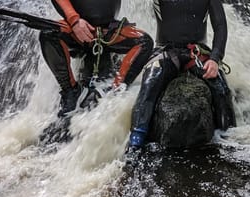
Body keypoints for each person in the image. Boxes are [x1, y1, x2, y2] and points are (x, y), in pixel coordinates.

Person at [39, 0, 154, 142]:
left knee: (144, 42)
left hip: (110, 31)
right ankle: (71, 91)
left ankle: (114, 90)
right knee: (48, 33)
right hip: (76, 29)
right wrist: (74, 21)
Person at [126, 0, 235, 149]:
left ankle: (230, 139)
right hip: (166, 50)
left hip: (197, 51)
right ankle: (135, 141)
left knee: (221, 88)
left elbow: (221, 26)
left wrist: (215, 59)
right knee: (150, 82)